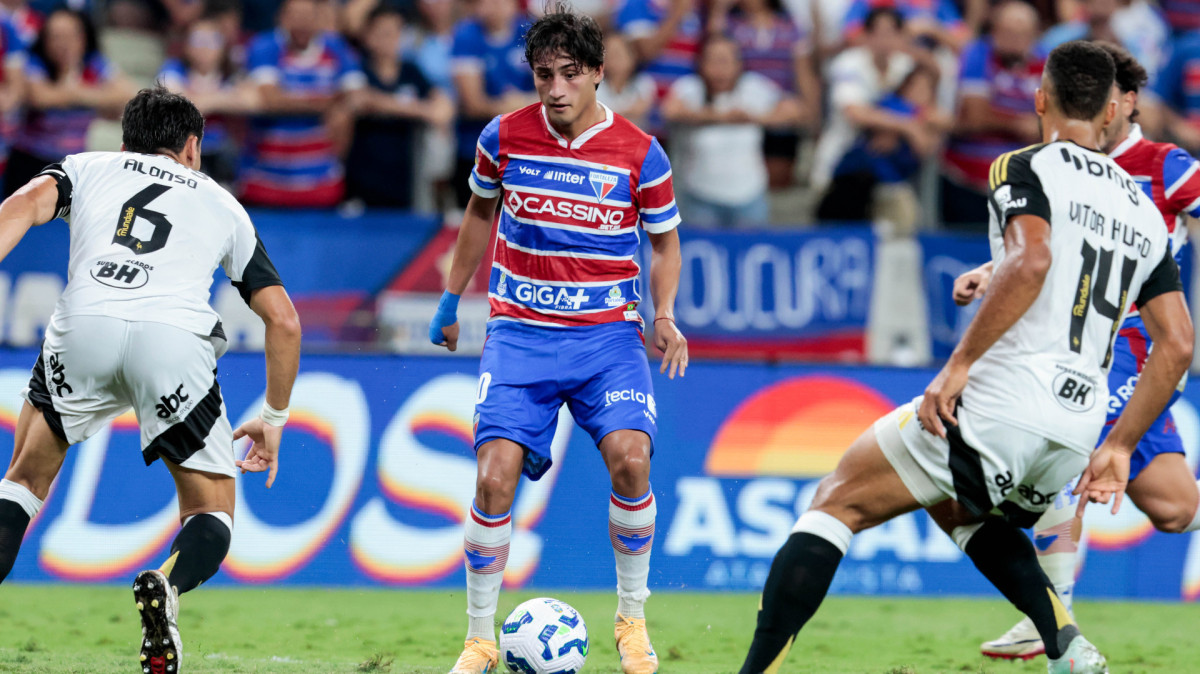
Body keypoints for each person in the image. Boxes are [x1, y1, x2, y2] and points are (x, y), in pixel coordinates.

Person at [738, 40, 1193, 674]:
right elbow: (1178, 342)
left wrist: (956, 367)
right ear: (1109, 110)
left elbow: (1033, 260)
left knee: (836, 500)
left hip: (1007, 401)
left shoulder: (1023, 166)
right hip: (1076, 430)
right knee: (958, 504)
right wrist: (1118, 445)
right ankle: (1065, 645)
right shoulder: (1144, 211)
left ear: (1041, 99)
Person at [0, 87, 301, 672]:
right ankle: (168, 584)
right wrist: (274, 418)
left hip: (84, 326)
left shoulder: (85, 168)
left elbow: (22, 207)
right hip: (174, 343)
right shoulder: (222, 203)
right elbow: (284, 321)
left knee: (22, 483)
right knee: (211, 512)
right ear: (192, 147)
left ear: (124, 141)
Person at [427, 5, 687, 673]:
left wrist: (665, 315)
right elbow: (479, 213)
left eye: (571, 73)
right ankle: (480, 638)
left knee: (632, 460)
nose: (557, 88)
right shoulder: (503, 136)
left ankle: (632, 620)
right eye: (544, 74)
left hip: (606, 339)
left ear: (599, 73)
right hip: (520, 335)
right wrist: (452, 298)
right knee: (493, 479)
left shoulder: (640, 152)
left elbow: (665, 243)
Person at [972, 41, 1200, 662]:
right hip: (1089, 341)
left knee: (1068, 444)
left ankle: (1050, 616)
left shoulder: (1165, 164)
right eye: (1112, 89)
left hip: (1132, 346)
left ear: (1126, 103)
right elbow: (1055, 248)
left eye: (1129, 91)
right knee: (1177, 509)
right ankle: (1052, 613)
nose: (1120, 101)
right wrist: (993, 270)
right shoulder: (1056, 166)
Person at [661, 35, 799, 227]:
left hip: (749, 195)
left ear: (738, 64)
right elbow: (670, 111)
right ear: (701, 63)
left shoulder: (753, 87)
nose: (720, 68)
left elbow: (795, 111)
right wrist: (719, 117)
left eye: (725, 60)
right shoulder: (689, 87)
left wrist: (755, 118)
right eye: (713, 60)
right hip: (699, 195)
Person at [241, 0, 366, 208]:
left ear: (320, 18)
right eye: (295, 15)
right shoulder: (264, 45)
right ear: (281, 19)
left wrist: (342, 106)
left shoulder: (337, 47)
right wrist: (330, 103)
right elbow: (271, 99)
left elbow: (357, 96)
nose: (302, 22)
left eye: (309, 15)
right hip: (264, 187)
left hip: (323, 187)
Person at [5, 9, 133, 197]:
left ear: (84, 37)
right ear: (45, 40)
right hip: (29, 165)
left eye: (71, 35)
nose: (63, 44)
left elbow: (128, 94)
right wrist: (93, 93)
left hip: (72, 165)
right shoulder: (33, 63)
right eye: (55, 37)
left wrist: (76, 92)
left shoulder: (95, 64)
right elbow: (41, 98)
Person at [942, 0, 1044, 227]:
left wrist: (1039, 125)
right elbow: (974, 116)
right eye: (1007, 32)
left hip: (1023, 187)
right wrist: (1019, 124)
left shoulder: (1047, 64)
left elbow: (1057, 118)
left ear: (1035, 34)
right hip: (969, 181)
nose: (1014, 40)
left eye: (1022, 34)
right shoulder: (977, 54)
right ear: (994, 30)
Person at [344, 5, 453, 208]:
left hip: (406, 181)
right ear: (368, 36)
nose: (391, 39)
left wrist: (386, 105)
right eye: (383, 33)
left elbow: (442, 109)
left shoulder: (411, 71)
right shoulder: (357, 68)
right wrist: (418, 109)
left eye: (396, 33)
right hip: (363, 181)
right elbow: (360, 100)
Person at [448, 0, 535, 209]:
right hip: (477, 149)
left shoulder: (532, 31)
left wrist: (520, 103)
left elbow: (552, 89)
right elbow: (473, 104)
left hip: (525, 150)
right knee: (477, 220)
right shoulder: (466, 35)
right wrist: (518, 105)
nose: (495, 6)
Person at [158, 13, 260, 186]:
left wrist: (203, 101)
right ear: (187, 46)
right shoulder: (174, 69)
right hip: (184, 151)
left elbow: (253, 101)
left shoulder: (233, 74)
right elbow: (174, 102)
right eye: (198, 41)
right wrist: (224, 98)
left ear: (222, 47)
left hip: (223, 152)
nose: (204, 49)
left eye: (211, 42)